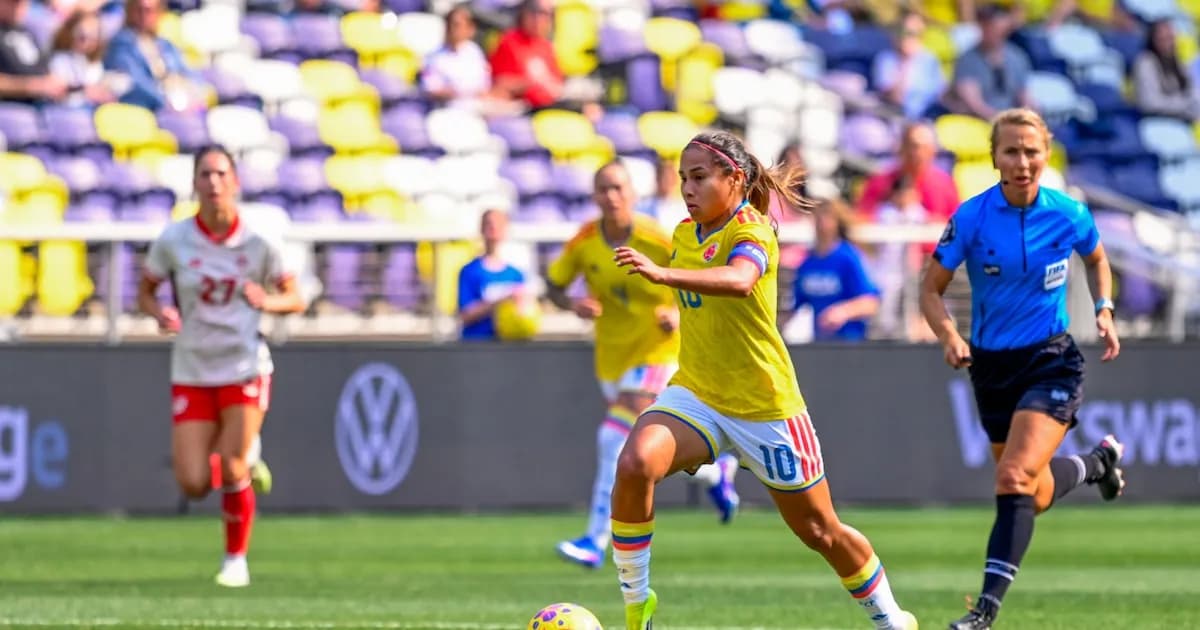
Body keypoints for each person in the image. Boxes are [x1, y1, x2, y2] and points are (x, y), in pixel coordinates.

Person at [611, 130, 918, 630]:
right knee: (635, 461)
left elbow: (738, 281)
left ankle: (892, 620)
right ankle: (636, 609)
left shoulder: (752, 229)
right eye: (684, 178)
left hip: (765, 406)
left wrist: (663, 278)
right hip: (698, 394)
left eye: (699, 177)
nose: (688, 188)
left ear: (734, 179)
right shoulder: (684, 235)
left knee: (821, 531)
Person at [918, 108, 1126, 630]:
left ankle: (984, 611)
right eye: (1011, 151)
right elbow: (930, 288)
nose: (1023, 161)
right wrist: (949, 335)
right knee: (1029, 491)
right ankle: (1098, 464)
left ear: (1046, 154)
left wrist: (1104, 308)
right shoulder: (971, 218)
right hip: (990, 368)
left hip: (1050, 361)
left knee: (1012, 477)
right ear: (994, 158)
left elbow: (1098, 260)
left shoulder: (1070, 214)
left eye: (1032, 151)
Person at [546, 160, 740, 570]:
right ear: (595, 196)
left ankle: (594, 540)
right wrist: (571, 303)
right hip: (612, 359)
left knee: (610, 438)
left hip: (659, 351)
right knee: (639, 451)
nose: (611, 196)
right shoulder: (584, 241)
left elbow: (697, 276)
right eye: (603, 189)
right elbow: (553, 284)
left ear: (633, 195)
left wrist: (676, 309)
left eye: (618, 188)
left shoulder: (655, 236)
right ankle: (714, 473)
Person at [137, 145, 306, 588]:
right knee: (193, 483)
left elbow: (296, 297)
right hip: (192, 366)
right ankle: (245, 458)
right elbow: (146, 290)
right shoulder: (174, 240)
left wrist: (267, 300)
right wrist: (160, 314)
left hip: (244, 364)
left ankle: (236, 560)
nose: (213, 182)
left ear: (235, 182)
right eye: (205, 174)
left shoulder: (259, 239)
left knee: (232, 467)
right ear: (194, 183)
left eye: (221, 174)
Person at [786, 197, 880, 342]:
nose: (822, 223)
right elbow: (799, 305)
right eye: (818, 217)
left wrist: (843, 312)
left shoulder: (848, 257)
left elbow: (870, 303)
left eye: (827, 217)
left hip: (848, 344)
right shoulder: (807, 262)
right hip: (817, 345)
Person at [457, 209, 526, 341]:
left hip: (507, 348)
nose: (494, 228)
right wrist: (500, 301)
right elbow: (465, 315)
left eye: (499, 225)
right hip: (476, 346)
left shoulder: (516, 275)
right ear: (481, 229)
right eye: (489, 224)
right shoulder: (469, 271)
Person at [47, 9, 125, 107]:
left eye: (92, 35)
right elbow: (58, 92)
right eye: (81, 33)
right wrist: (86, 92)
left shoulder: (95, 65)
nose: (86, 39)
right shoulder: (59, 60)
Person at [0, 0, 69, 104]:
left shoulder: (26, 31)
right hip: (12, 106)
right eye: (13, 2)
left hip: (42, 103)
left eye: (22, 2)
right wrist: (32, 86)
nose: (19, 6)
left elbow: (43, 68)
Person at [1133, 19, 1200, 121]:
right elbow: (1149, 103)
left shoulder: (1177, 62)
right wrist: (1184, 103)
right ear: (1153, 39)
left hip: (1183, 118)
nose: (1167, 43)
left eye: (1170, 38)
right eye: (1162, 39)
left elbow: (1191, 90)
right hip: (1157, 121)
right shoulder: (1145, 63)